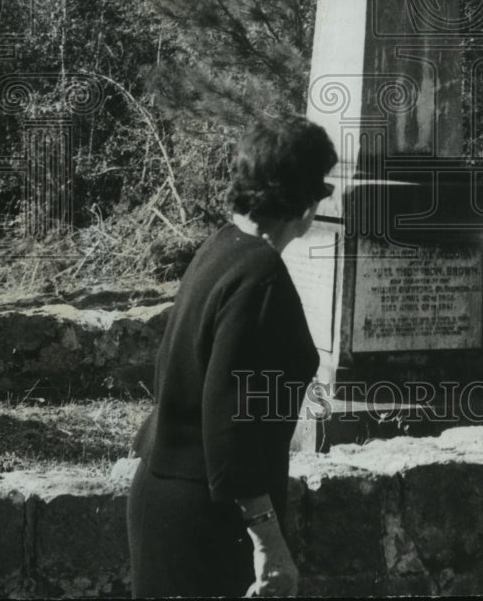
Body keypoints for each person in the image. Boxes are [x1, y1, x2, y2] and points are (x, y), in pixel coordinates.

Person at [127, 117, 337, 598]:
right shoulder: (260, 274)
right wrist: (268, 543)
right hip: (209, 518)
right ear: (306, 205)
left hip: (163, 489)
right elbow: (232, 423)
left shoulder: (220, 246)